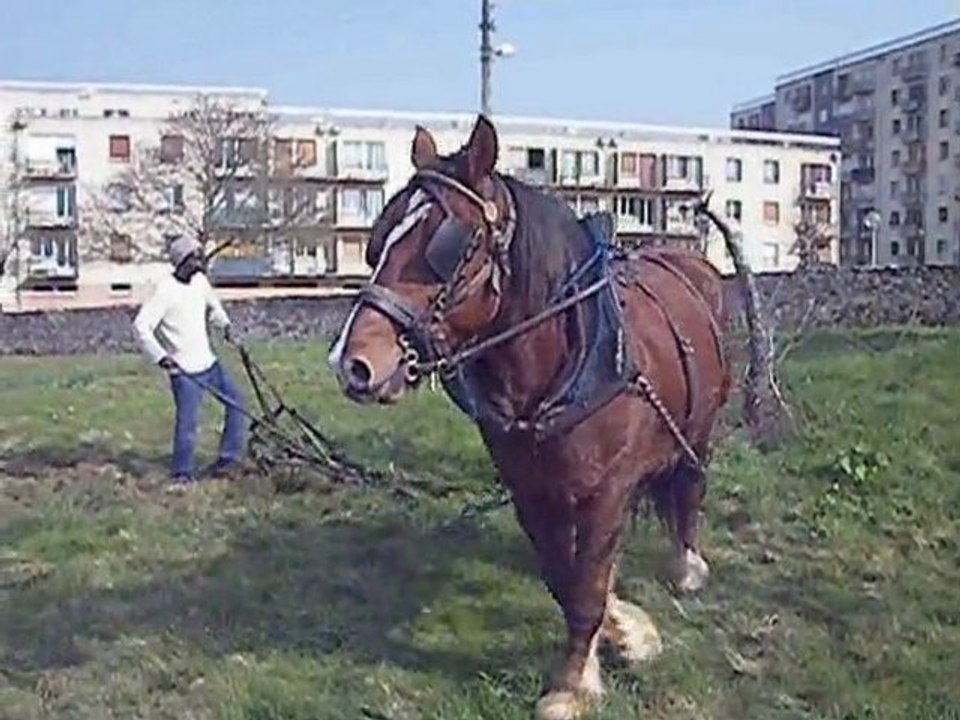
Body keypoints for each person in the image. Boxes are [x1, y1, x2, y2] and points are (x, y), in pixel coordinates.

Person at [133, 236, 247, 487]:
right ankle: (182, 474)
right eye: (195, 256)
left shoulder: (200, 282)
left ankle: (227, 460)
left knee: (238, 403)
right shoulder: (164, 291)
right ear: (182, 260)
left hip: (209, 362)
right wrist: (161, 357)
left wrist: (225, 325)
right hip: (183, 370)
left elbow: (214, 307)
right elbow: (141, 326)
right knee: (188, 422)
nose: (200, 260)